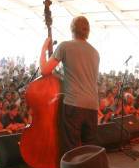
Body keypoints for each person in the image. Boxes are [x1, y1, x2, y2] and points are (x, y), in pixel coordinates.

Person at [40, 16, 100, 154]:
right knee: (89, 149)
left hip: (74, 103)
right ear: (87, 31)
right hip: (92, 105)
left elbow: (45, 70)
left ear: (72, 29)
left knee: (71, 148)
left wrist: (44, 48)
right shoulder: (95, 52)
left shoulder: (65, 46)